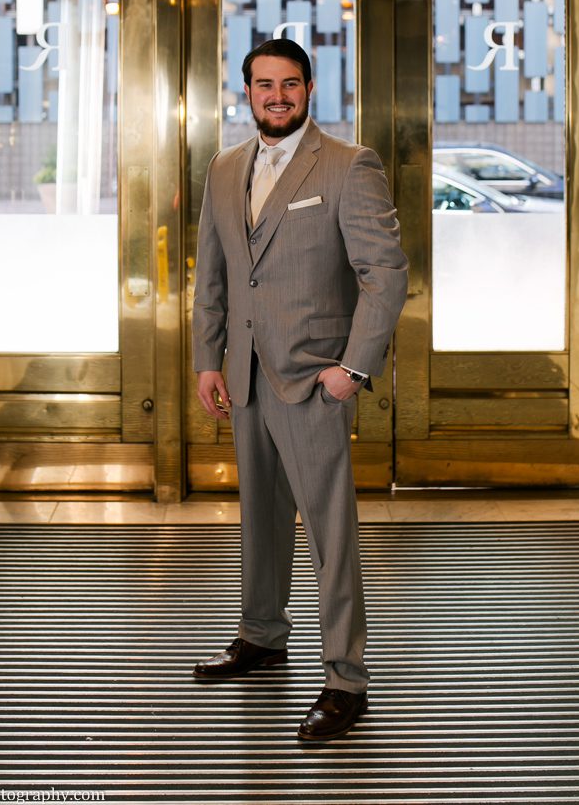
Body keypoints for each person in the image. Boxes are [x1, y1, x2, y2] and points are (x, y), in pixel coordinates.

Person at [191, 37, 408, 741]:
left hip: (316, 380)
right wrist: (208, 359)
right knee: (258, 518)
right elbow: (213, 273)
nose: (276, 95)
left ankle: (346, 679)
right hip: (246, 377)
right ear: (247, 92)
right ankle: (261, 636)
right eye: (264, 84)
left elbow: (385, 274)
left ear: (309, 89)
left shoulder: (348, 164)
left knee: (329, 534)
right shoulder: (225, 168)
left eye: (289, 84)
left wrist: (354, 368)